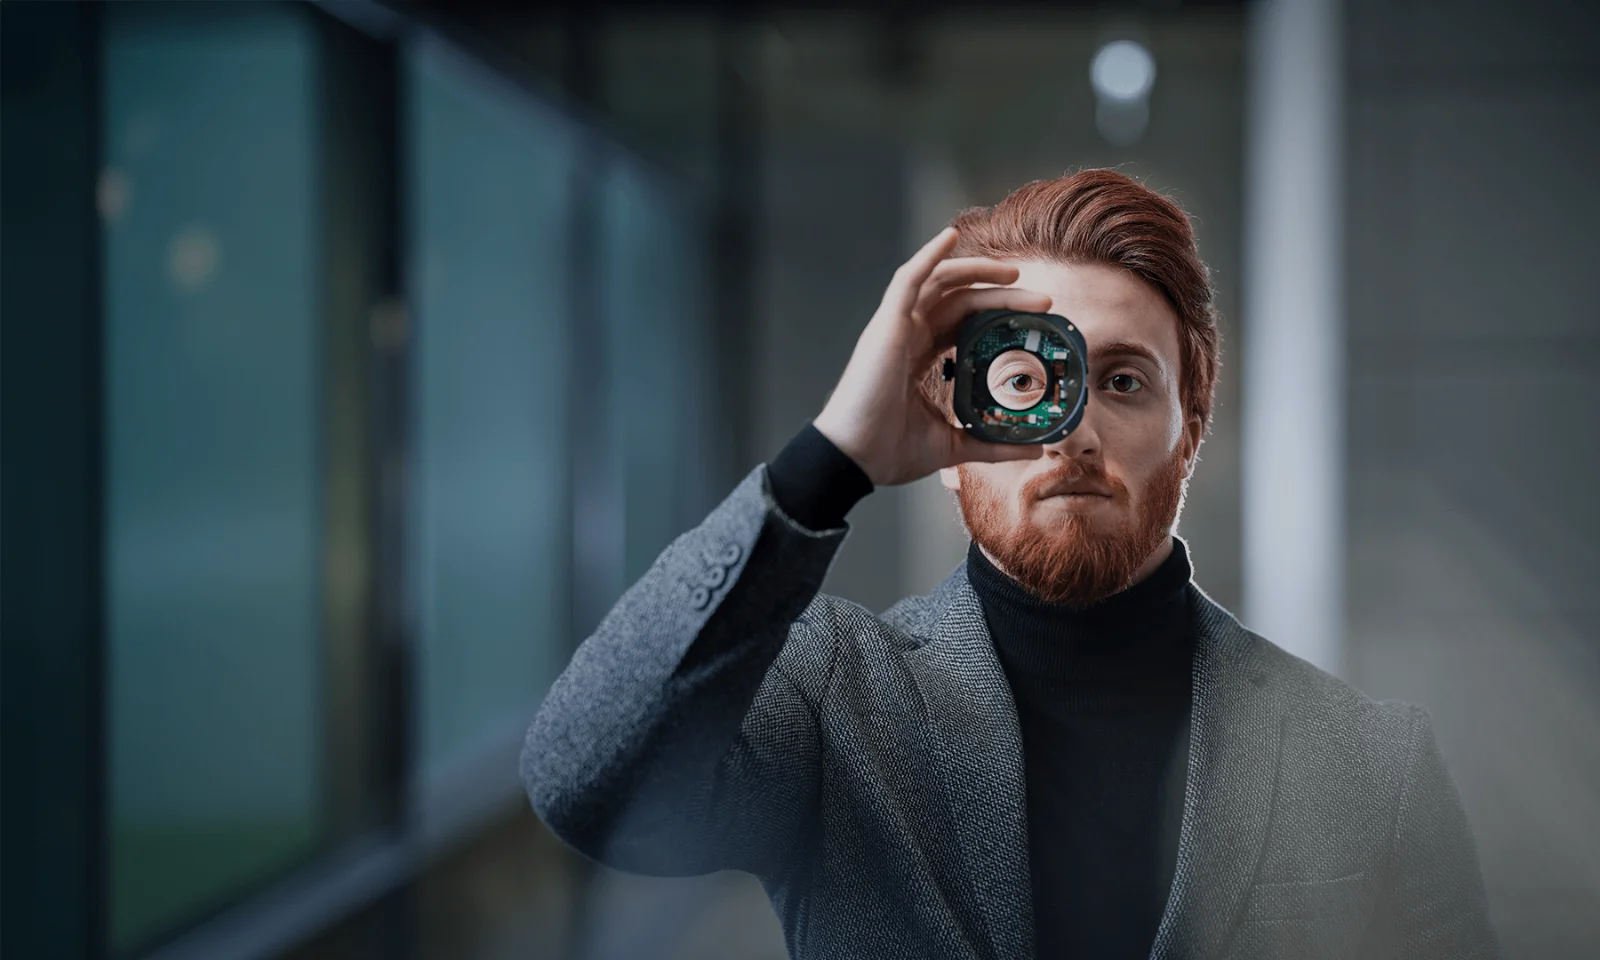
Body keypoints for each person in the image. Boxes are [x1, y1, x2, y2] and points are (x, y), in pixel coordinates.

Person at [521, 169, 1501, 959]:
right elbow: (583, 782)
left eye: (1120, 380)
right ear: (951, 424)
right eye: (1024, 380)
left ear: (1191, 427)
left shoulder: (1372, 767)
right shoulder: (831, 700)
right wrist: (830, 463)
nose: (1070, 430)